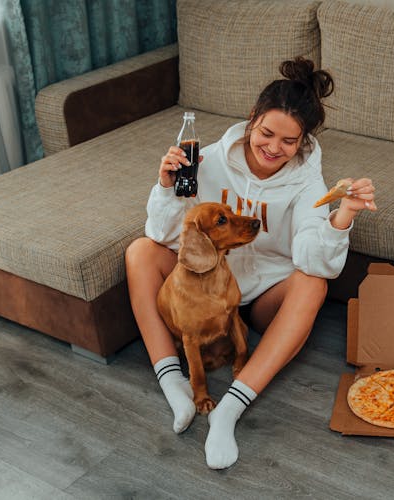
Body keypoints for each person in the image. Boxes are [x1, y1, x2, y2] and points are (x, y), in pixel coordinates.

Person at [125, 57, 377, 469]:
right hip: (204, 289)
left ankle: (229, 410)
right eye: (266, 133)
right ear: (252, 119)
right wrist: (166, 187)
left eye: (289, 141)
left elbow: (317, 263)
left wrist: (343, 215)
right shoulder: (206, 160)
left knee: (314, 285)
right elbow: (163, 236)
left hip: (260, 296)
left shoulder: (306, 182)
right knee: (139, 251)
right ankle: (173, 381)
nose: (274, 148)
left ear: (303, 142)